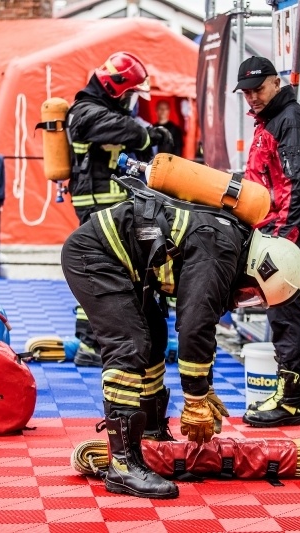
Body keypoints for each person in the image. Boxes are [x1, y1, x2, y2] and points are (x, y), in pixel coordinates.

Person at [61, 181, 300, 498]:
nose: (241, 299)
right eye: (249, 293)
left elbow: (205, 321)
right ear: (261, 267)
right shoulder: (221, 248)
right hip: (94, 255)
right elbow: (194, 325)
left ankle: (150, 438)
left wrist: (206, 387)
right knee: (129, 345)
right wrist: (195, 399)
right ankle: (123, 466)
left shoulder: (230, 239)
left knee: (153, 337)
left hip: (122, 262)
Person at [65, 51, 173, 365]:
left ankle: (114, 341)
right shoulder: (85, 111)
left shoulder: (105, 111)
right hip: (96, 205)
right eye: (130, 94)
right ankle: (91, 346)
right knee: (101, 274)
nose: (131, 102)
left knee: (121, 272)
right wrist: (146, 135)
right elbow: (113, 127)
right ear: (116, 88)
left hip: (111, 206)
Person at [234, 56, 300, 428]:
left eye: (258, 89)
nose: (252, 97)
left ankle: (291, 401)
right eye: (246, 92)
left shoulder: (289, 121)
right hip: (273, 229)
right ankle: (290, 397)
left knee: (284, 311)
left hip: (287, 231)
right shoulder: (270, 120)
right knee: (279, 309)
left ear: (276, 83)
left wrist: (285, 239)